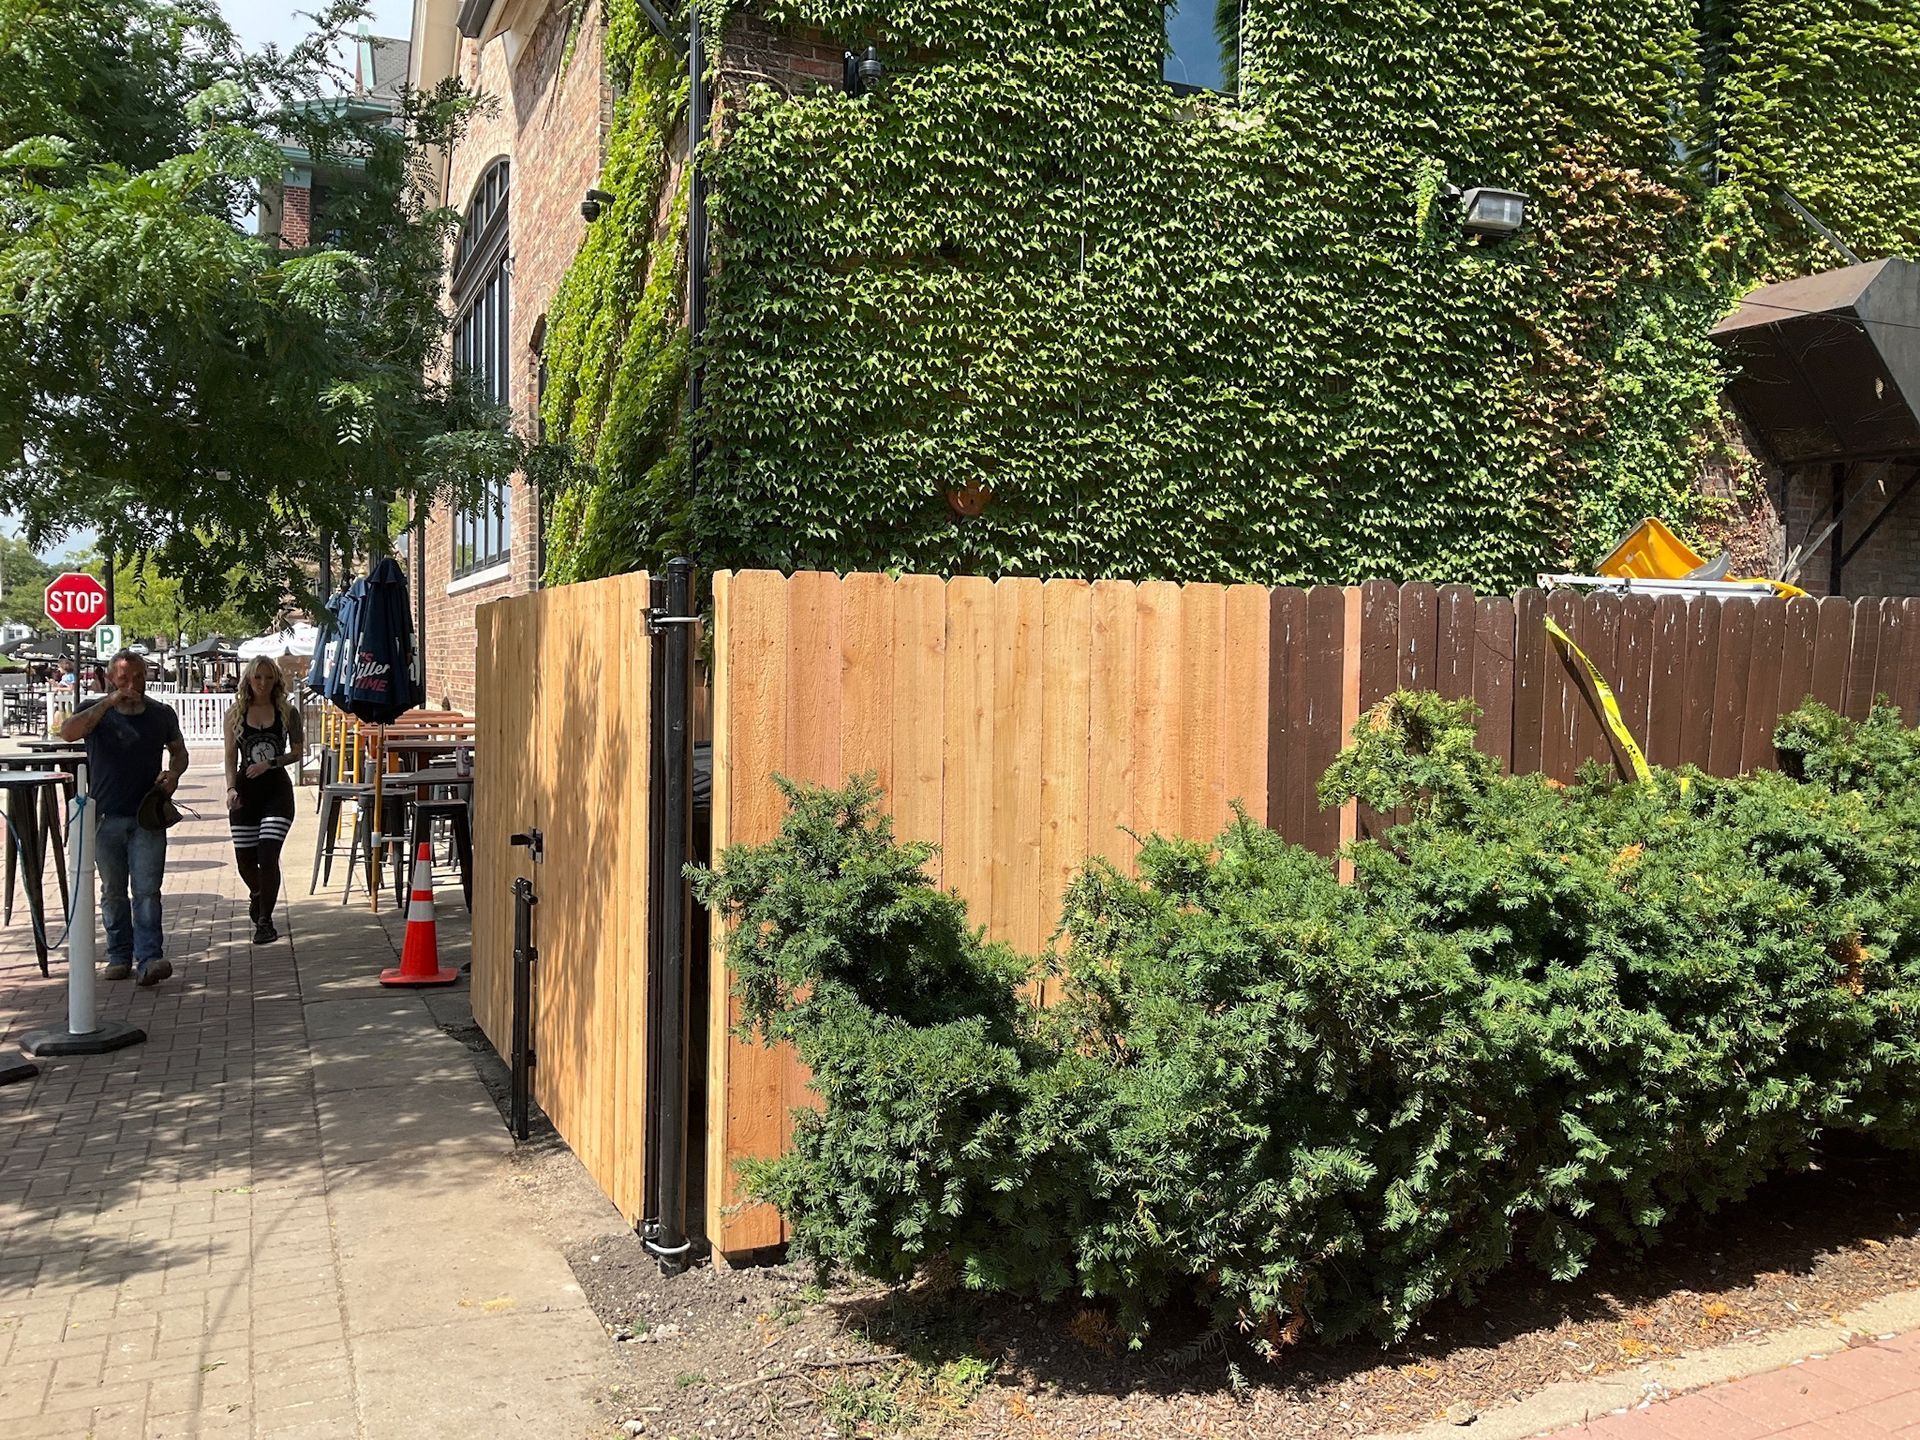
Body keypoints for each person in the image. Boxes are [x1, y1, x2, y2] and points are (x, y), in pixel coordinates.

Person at [58, 649, 188, 986]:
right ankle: (118, 955)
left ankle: (149, 958)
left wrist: (173, 774)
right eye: (124, 678)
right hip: (105, 816)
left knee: (147, 890)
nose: (133, 684)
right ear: (110, 679)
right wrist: (107, 703)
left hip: (147, 815)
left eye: (139, 677)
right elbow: (68, 732)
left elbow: (179, 752)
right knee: (113, 890)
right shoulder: (94, 710)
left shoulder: (160, 714)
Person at [224, 657, 303, 944]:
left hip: (276, 791)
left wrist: (269, 763)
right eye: (258, 677)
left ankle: (265, 921)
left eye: (269, 678)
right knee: (245, 859)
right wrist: (231, 789)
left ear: (276, 681)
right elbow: (230, 757)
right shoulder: (235, 714)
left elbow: (297, 752)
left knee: (268, 854)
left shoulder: (287, 712)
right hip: (246, 791)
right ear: (248, 679)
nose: (263, 683)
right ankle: (258, 894)